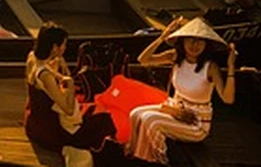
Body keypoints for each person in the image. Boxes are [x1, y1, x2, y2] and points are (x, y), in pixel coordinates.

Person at [126, 16, 237, 165]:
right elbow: (143, 59)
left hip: (196, 123)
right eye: (190, 39)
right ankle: (136, 153)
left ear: (206, 44)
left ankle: (157, 160)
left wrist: (231, 66)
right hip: (175, 109)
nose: (194, 45)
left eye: (199, 40)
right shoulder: (176, 56)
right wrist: (162, 37)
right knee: (135, 114)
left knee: (150, 120)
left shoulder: (210, 67)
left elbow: (228, 99)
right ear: (182, 41)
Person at [25, 23, 117, 155]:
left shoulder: (32, 56)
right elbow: (67, 110)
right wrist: (71, 85)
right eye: (63, 45)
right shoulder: (45, 76)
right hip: (50, 129)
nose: (65, 48)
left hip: (35, 119)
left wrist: (59, 68)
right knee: (103, 119)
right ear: (55, 47)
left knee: (92, 108)